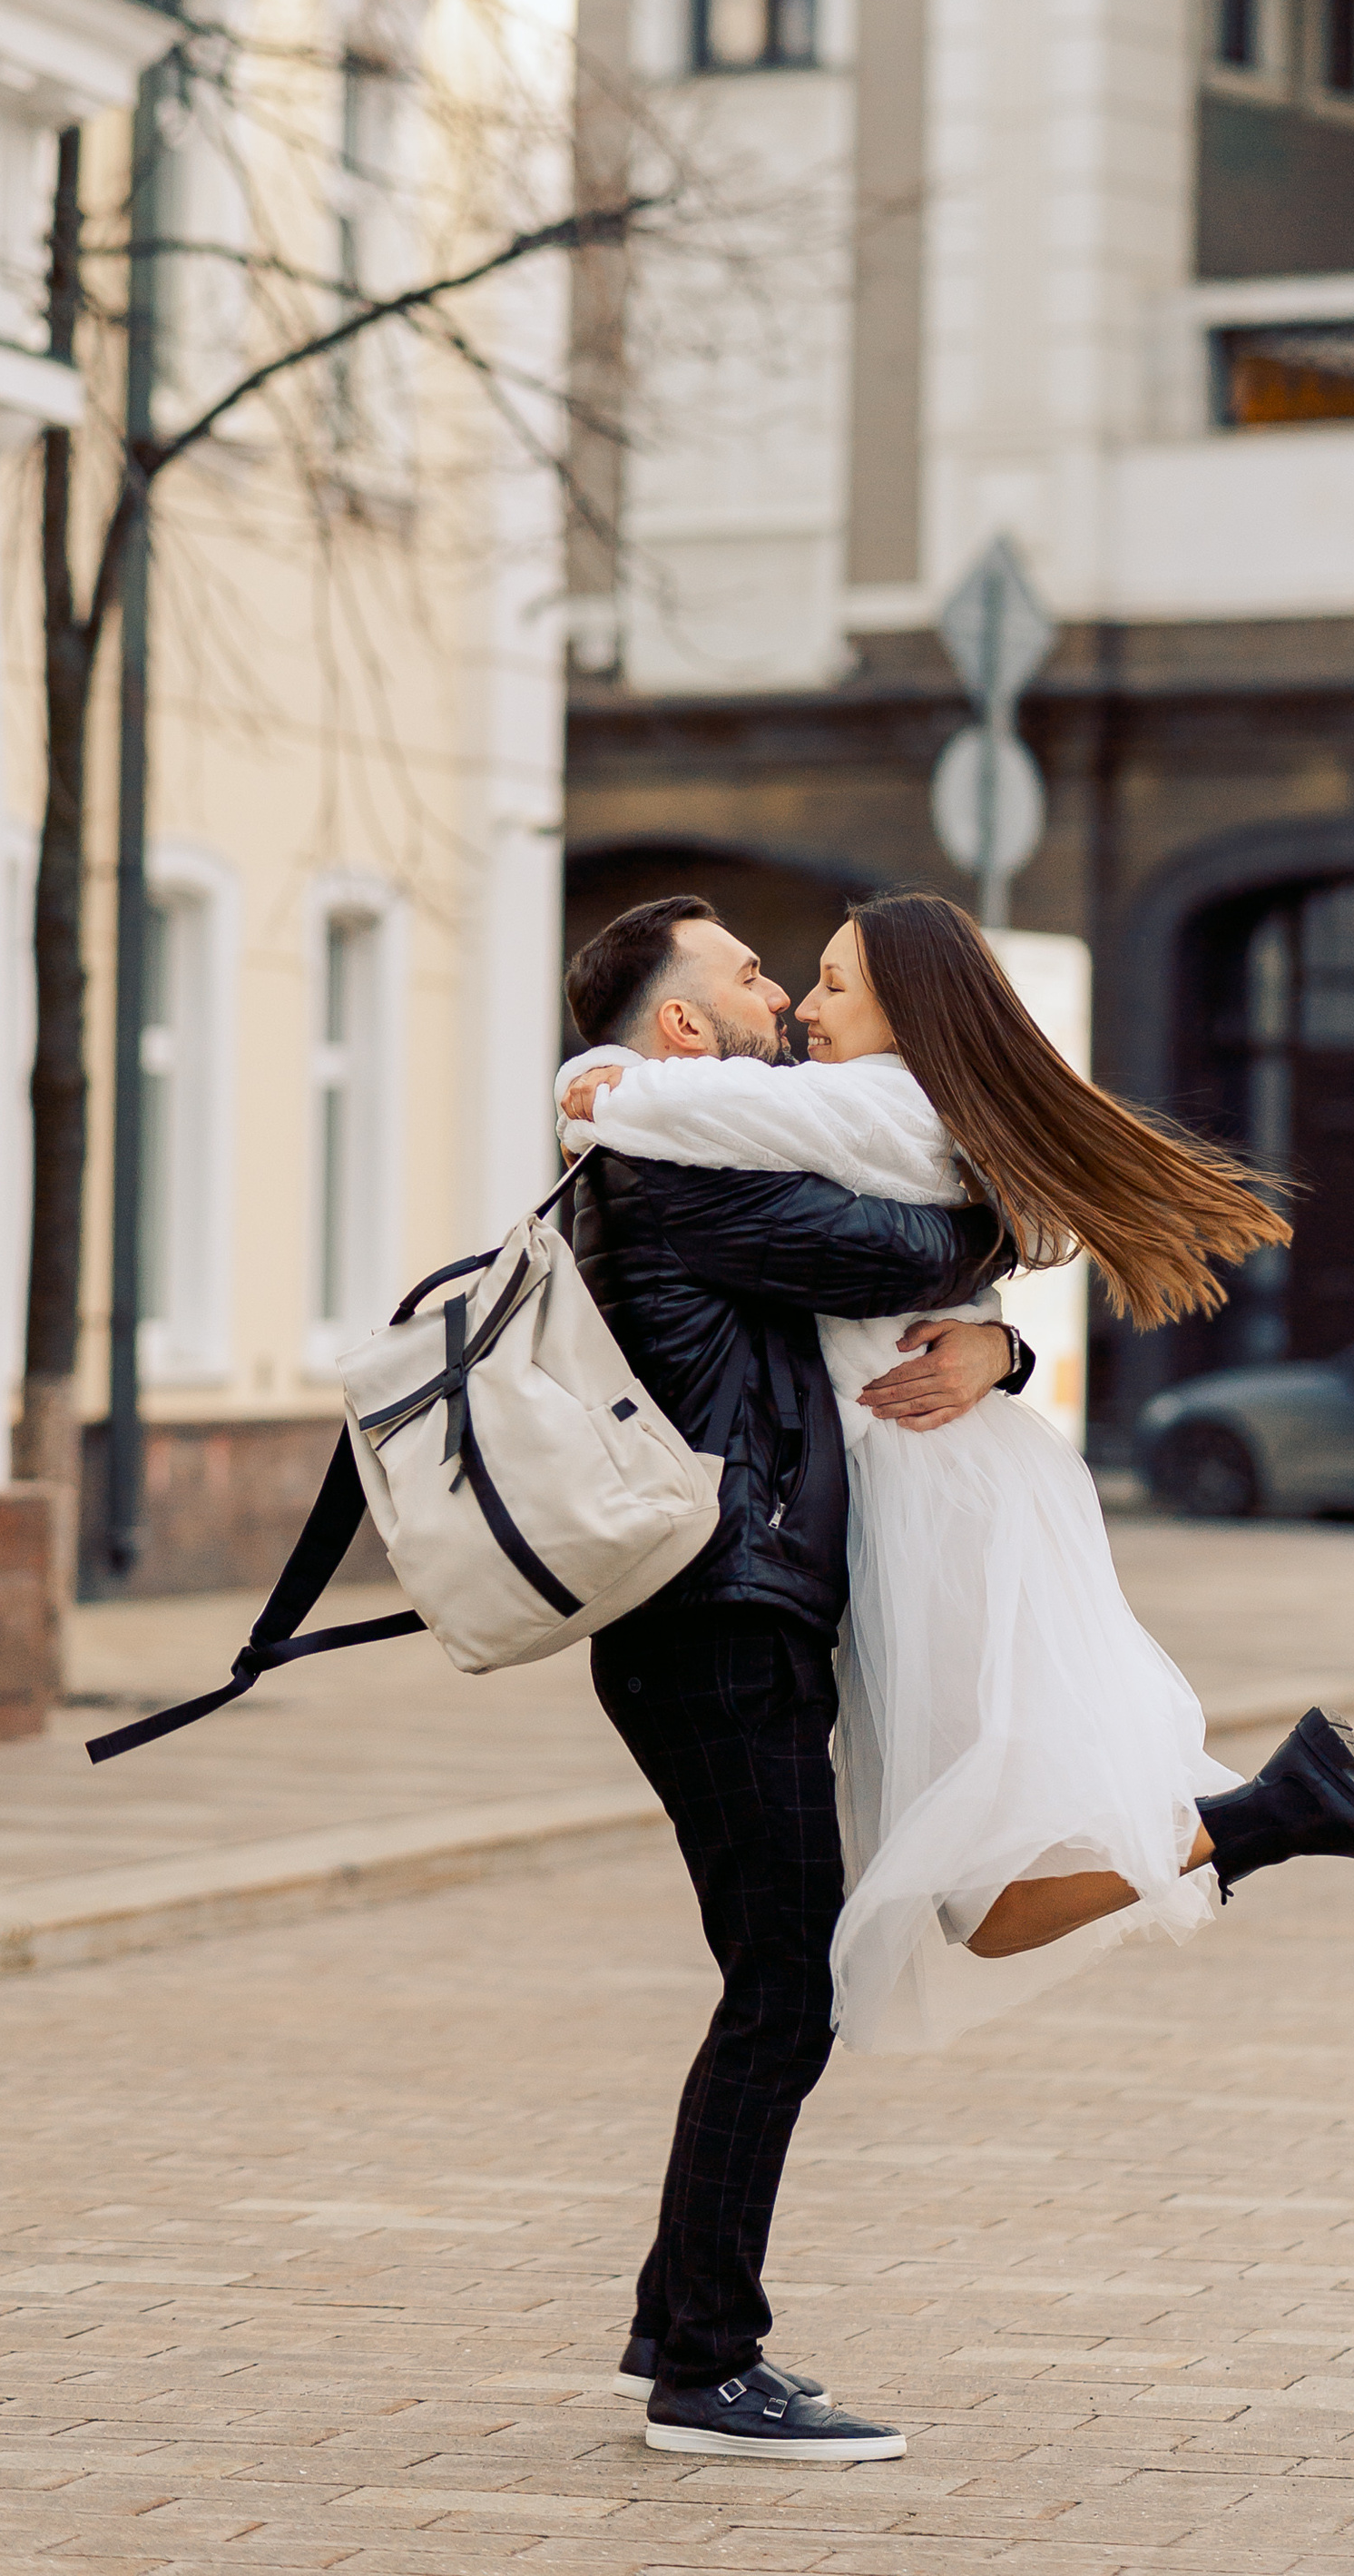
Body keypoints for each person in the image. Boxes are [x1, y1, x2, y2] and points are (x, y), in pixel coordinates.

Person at [561, 892, 1354, 2062]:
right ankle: (1282, 1809)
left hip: (940, 1502)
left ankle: (1284, 1808)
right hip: (936, 1490)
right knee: (977, 1905)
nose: (801, 1001)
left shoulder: (875, 1101)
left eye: (832, 981)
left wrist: (597, 1083)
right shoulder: (886, 1116)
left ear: (908, 1008)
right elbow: (932, 1236)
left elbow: (704, 1108)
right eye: (793, 978)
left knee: (971, 1893)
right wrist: (999, 1332)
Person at [560, 892, 1032, 2465]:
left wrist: (999, 1348)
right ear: (681, 1030)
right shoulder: (667, 1167)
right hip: (716, 1618)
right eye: (753, 976)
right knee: (784, 1985)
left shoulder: (709, 1151)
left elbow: (904, 1288)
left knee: (778, 1980)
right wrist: (1010, 1226)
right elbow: (922, 1243)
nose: (781, 993)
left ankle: (683, 2329)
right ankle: (707, 2363)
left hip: (732, 1613)